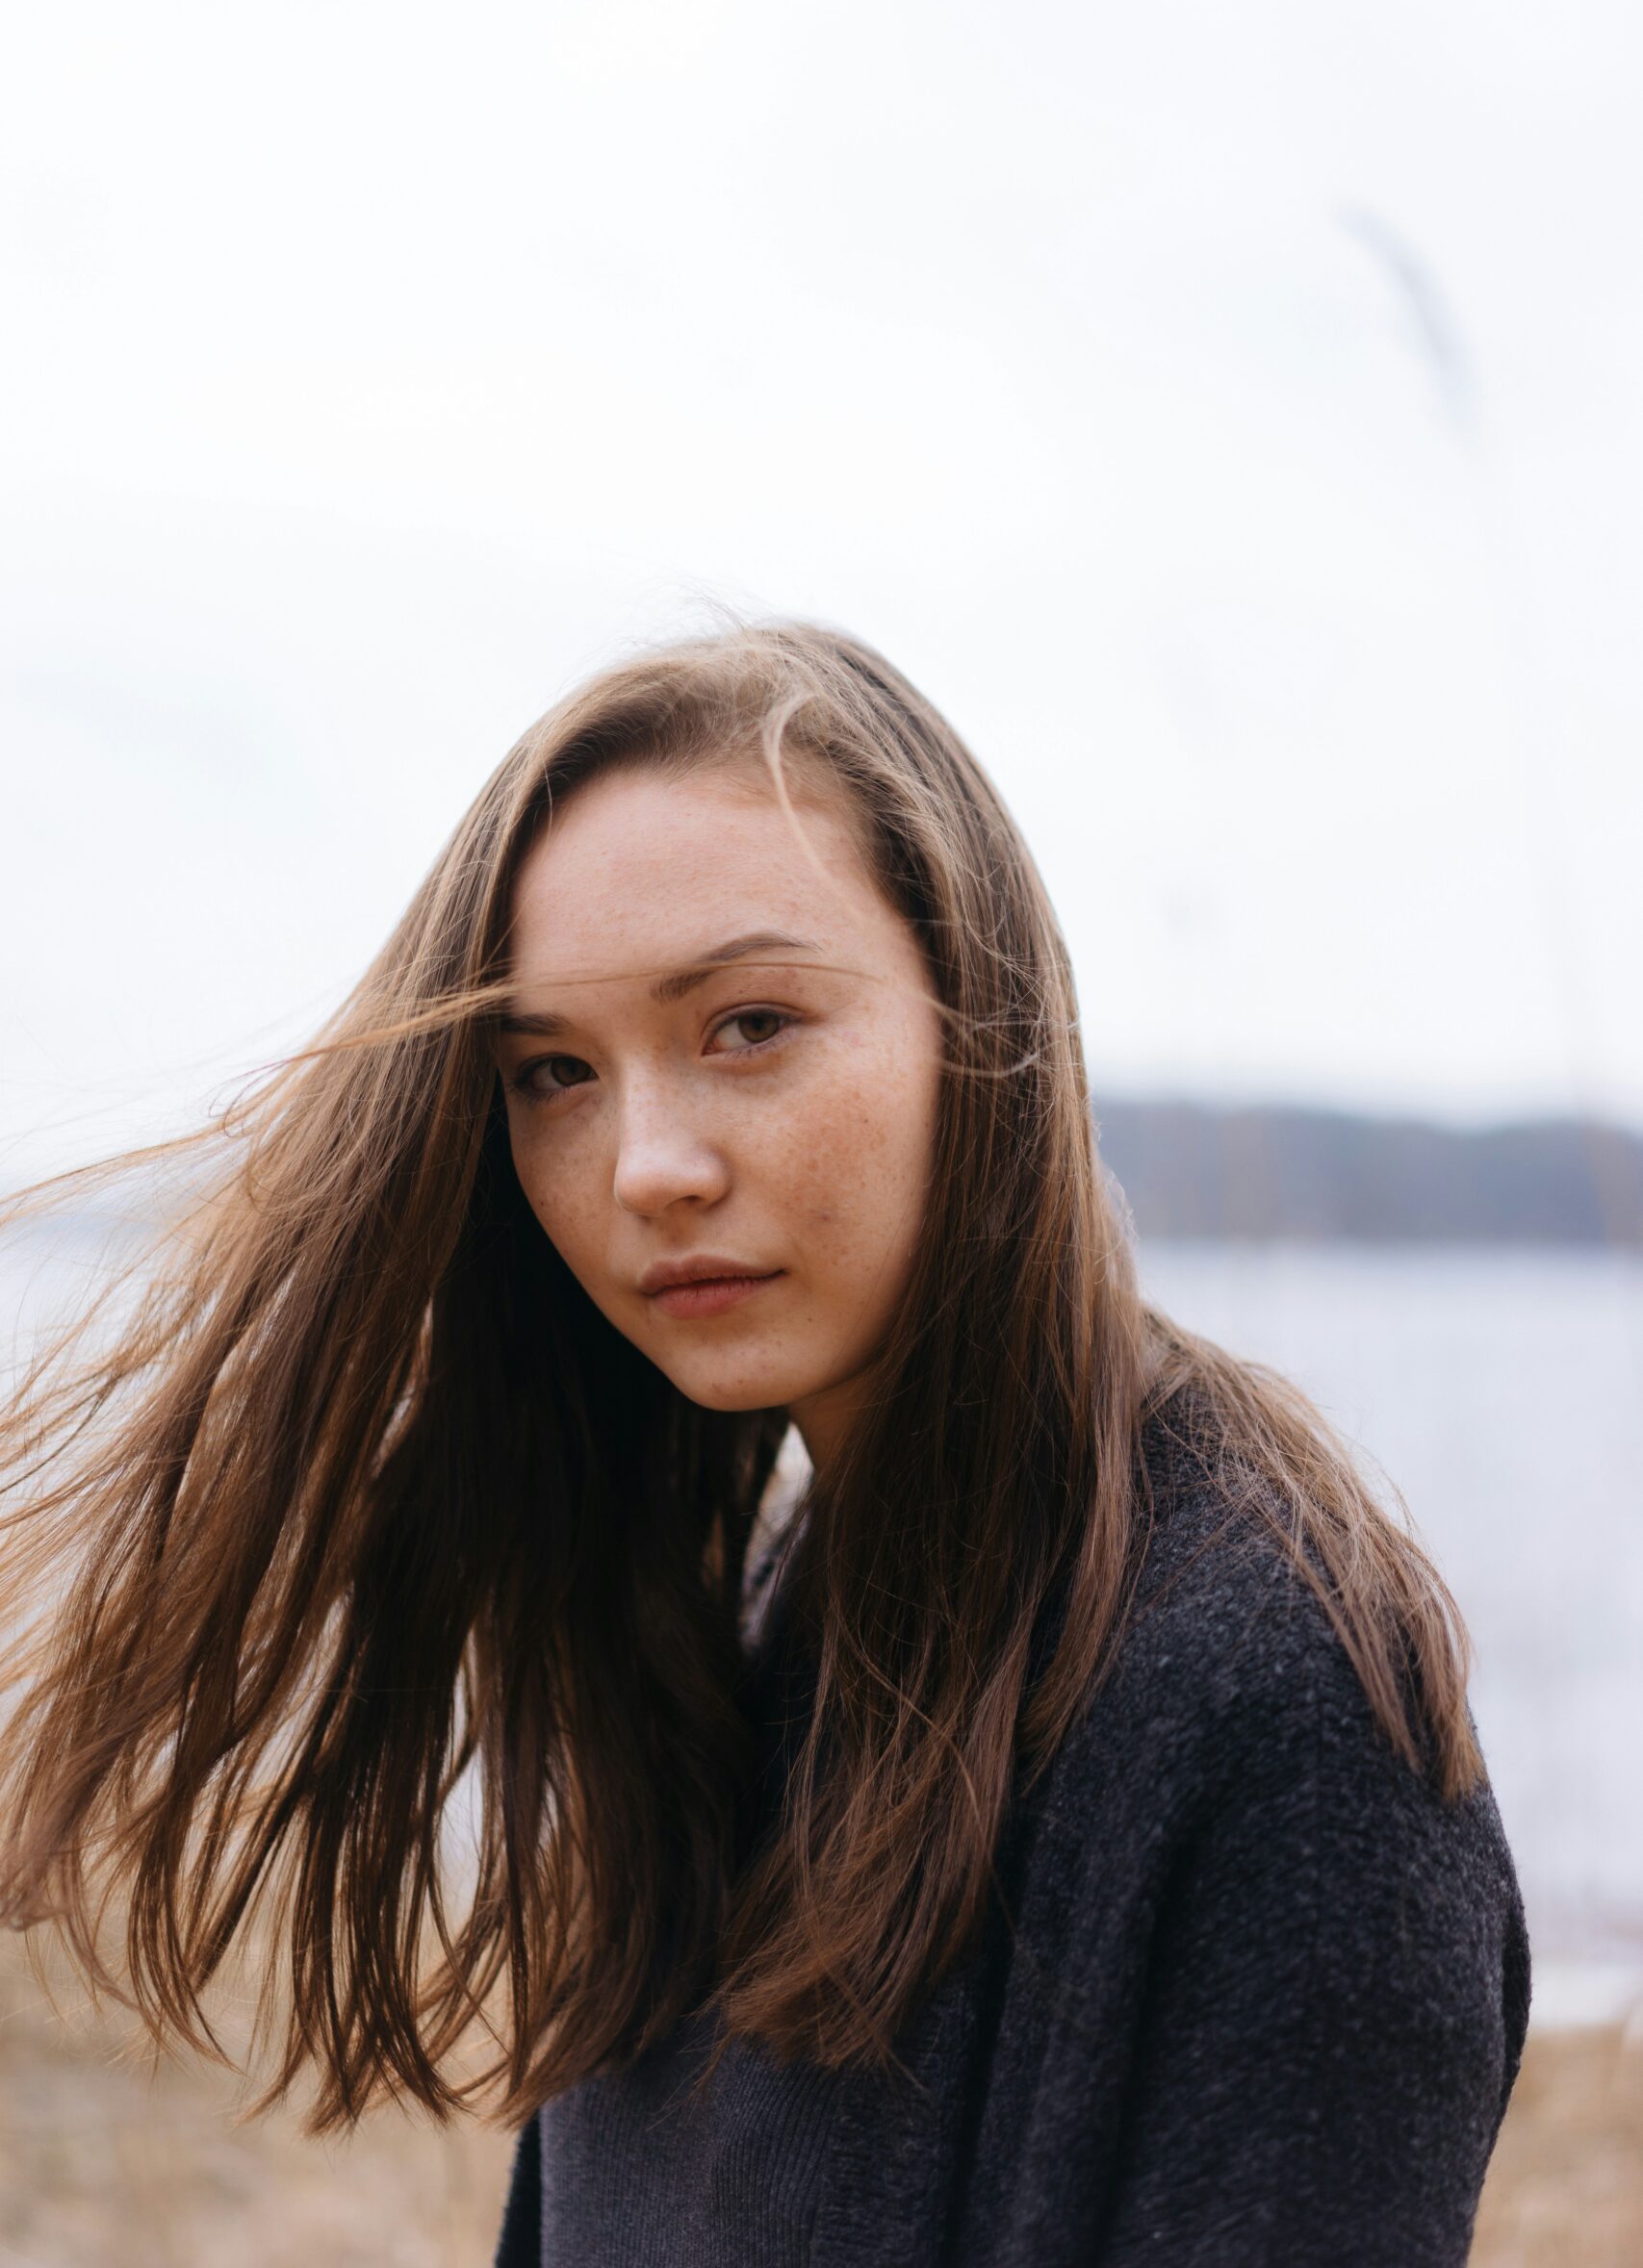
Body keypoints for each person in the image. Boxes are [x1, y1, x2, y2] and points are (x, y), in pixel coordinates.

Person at [0, 619, 1528, 2264]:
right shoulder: (766, 1613)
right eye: (556, 1071)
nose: (646, 1164)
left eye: (747, 1024)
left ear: (980, 1016)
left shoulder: (1277, 1708)